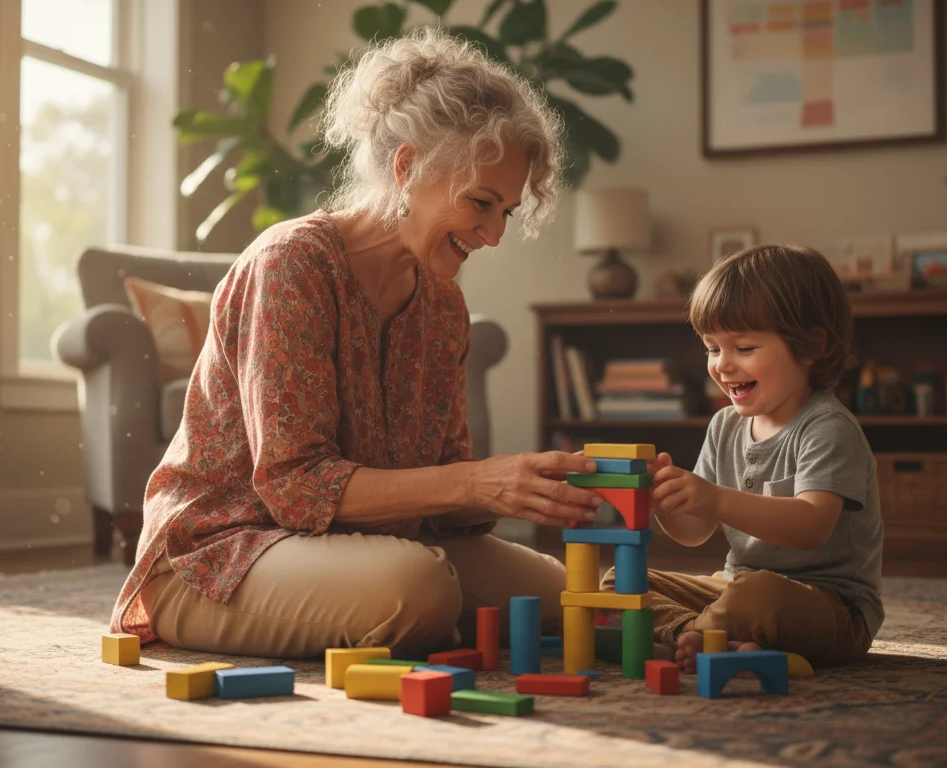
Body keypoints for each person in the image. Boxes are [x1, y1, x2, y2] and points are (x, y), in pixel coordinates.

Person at [109, 26, 605, 659]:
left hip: (370, 546)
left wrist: (536, 485)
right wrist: (475, 483)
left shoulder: (445, 305)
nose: (493, 233)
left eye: (505, 211)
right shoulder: (292, 265)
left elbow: (444, 495)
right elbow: (294, 488)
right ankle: (416, 618)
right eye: (481, 203)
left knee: (567, 592)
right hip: (220, 555)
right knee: (420, 591)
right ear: (407, 167)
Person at [602, 244, 884, 672]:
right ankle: (704, 639)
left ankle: (691, 637)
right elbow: (695, 532)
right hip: (734, 591)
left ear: (811, 346)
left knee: (758, 597)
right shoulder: (725, 425)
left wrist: (713, 498)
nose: (723, 365)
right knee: (617, 580)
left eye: (745, 348)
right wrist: (666, 501)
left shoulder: (828, 427)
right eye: (713, 348)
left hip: (830, 607)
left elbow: (811, 526)